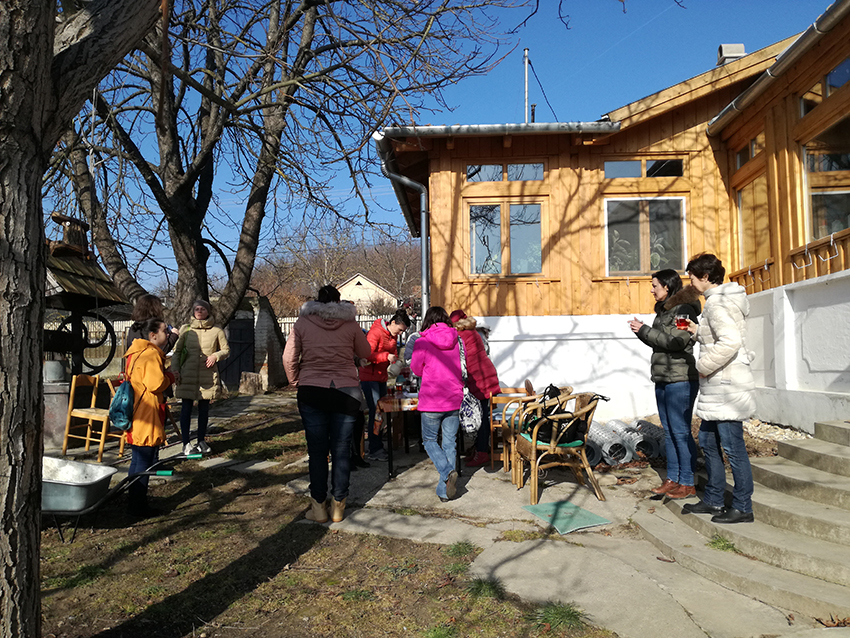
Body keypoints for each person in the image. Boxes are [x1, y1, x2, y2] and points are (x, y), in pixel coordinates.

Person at [283, 285, 371, 523]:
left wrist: (295, 381)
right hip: (347, 390)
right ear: (338, 301)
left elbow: (288, 357)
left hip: (312, 390)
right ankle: (339, 506)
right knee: (342, 449)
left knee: (317, 451)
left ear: (316, 301)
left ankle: (319, 506)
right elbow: (366, 351)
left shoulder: (302, 323)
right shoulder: (351, 324)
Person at [682, 253, 756, 524]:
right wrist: (697, 330)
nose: (690, 281)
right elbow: (718, 334)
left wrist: (703, 366)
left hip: (726, 386)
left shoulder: (716, 304)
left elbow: (730, 341)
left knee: (733, 447)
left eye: (692, 276)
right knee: (709, 442)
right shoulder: (719, 301)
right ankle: (713, 499)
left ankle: (742, 506)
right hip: (721, 387)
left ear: (705, 277)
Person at [628, 270, 701, 499]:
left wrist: (645, 331)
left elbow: (677, 342)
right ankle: (673, 478)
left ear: (667, 287)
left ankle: (687, 482)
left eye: (654, 285)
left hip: (680, 379)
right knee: (669, 432)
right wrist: (642, 332)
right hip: (662, 377)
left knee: (679, 432)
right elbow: (659, 343)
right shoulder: (664, 311)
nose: (651, 289)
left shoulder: (684, 310)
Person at [410, 306, 464, 502]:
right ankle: (444, 491)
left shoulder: (422, 341)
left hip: (432, 399)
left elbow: (416, 369)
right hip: (453, 397)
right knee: (450, 442)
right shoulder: (458, 339)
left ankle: (447, 471)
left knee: (429, 441)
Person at [124, 318, 174, 517]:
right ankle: (138, 507)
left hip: (137, 411)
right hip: (147, 413)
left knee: (137, 459)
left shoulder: (136, 352)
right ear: (153, 336)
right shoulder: (151, 354)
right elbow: (155, 384)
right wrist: (170, 377)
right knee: (143, 460)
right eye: (164, 330)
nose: (168, 333)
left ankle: (134, 502)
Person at [172, 300, 230, 456]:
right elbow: (177, 352)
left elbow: (226, 350)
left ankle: (201, 441)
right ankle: (186, 444)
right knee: (186, 409)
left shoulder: (217, 330)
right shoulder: (186, 329)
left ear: (208, 311)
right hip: (187, 374)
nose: (199, 311)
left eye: (202, 309)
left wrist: (215, 356)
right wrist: (175, 370)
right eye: (196, 309)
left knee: (204, 409)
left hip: (207, 375)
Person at [449, 309, 501, 468]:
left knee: (481, 418)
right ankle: (480, 449)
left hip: (479, 380)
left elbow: (460, 360)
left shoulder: (461, 337)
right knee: (483, 416)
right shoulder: (474, 333)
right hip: (485, 376)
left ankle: (482, 452)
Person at [359, 309, 411, 461]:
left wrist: (396, 362)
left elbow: (392, 354)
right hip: (369, 378)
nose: (400, 333)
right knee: (376, 412)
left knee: (381, 413)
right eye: (400, 330)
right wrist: (385, 356)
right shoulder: (376, 333)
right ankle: (374, 448)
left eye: (403, 331)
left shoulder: (392, 337)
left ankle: (377, 445)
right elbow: (366, 354)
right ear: (393, 323)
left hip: (381, 378)